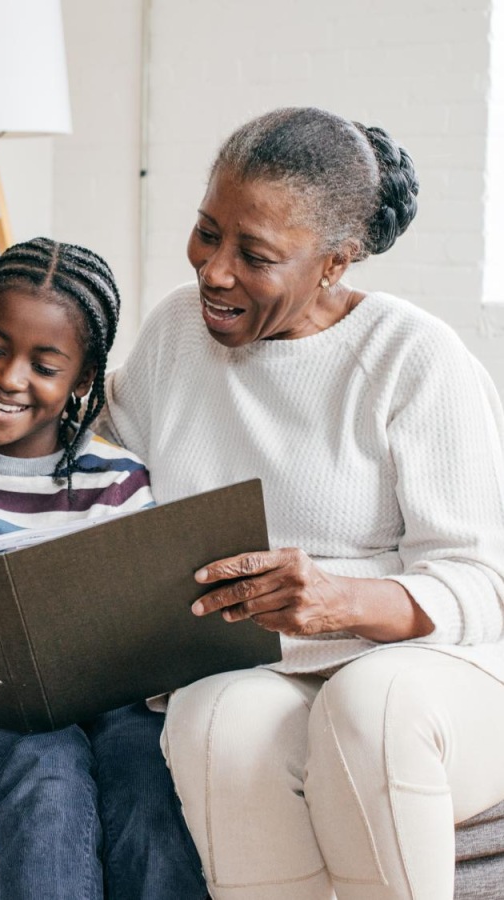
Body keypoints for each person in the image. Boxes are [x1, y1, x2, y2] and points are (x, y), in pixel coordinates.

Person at [95, 106, 504, 900]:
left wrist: (338, 600)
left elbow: (485, 586)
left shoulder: (413, 359)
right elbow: (98, 455)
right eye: (207, 232)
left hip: (434, 673)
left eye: (255, 255)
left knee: (369, 703)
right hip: (274, 669)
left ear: (335, 262)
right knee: (212, 716)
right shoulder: (179, 331)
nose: (215, 271)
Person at [0, 237, 208, 900]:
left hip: (109, 696)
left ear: (84, 377)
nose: (10, 378)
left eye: (45, 364)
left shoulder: (118, 481)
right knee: (50, 763)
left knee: (146, 776)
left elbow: (144, 622)